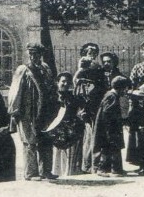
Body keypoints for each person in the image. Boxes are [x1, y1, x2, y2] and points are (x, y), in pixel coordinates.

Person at [8, 43, 56, 181]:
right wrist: (14, 112)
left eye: (37, 54)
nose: (34, 57)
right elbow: (15, 92)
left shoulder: (45, 69)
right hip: (28, 112)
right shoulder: (23, 70)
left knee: (46, 140)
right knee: (30, 142)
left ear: (41, 55)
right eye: (31, 54)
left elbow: (52, 87)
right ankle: (31, 173)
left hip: (45, 111)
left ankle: (46, 170)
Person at [74, 43, 107, 174]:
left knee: (94, 134)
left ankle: (92, 164)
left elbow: (102, 84)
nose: (91, 54)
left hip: (95, 102)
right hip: (85, 103)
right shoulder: (82, 66)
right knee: (88, 134)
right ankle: (86, 164)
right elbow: (76, 80)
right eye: (89, 51)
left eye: (94, 52)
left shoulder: (98, 67)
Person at [49, 72, 88, 177]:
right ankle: (57, 172)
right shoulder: (52, 97)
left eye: (68, 82)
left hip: (69, 129)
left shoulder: (72, 97)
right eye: (63, 81)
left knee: (69, 153)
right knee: (57, 153)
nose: (65, 84)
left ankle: (69, 173)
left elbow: (81, 109)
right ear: (57, 82)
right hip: (56, 129)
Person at [93, 76, 131, 176]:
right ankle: (103, 169)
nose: (126, 90)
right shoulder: (112, 96)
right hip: (108, 128)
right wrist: (110, 130)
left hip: (111, 127)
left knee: (113, 147)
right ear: (120, 87)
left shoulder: (112, 95)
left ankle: (115, 169)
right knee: (109, 147)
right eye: (125, 87)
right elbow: (107, 114)